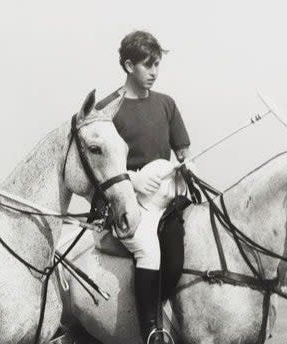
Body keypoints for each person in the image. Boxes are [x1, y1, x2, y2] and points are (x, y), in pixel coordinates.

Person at [96, 30, 194, 343]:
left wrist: (183, 168)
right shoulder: (107, 109)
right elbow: (98, 166)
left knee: (177, 262)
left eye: (157, 65)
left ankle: (147, 307)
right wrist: (132, 179)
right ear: (128, 65)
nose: (154, 72)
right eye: (147, 65)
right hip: (126, 202)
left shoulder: (167, 104)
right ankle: (151, 329)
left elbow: (182, 153)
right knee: (148, 251)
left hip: (165, 201)